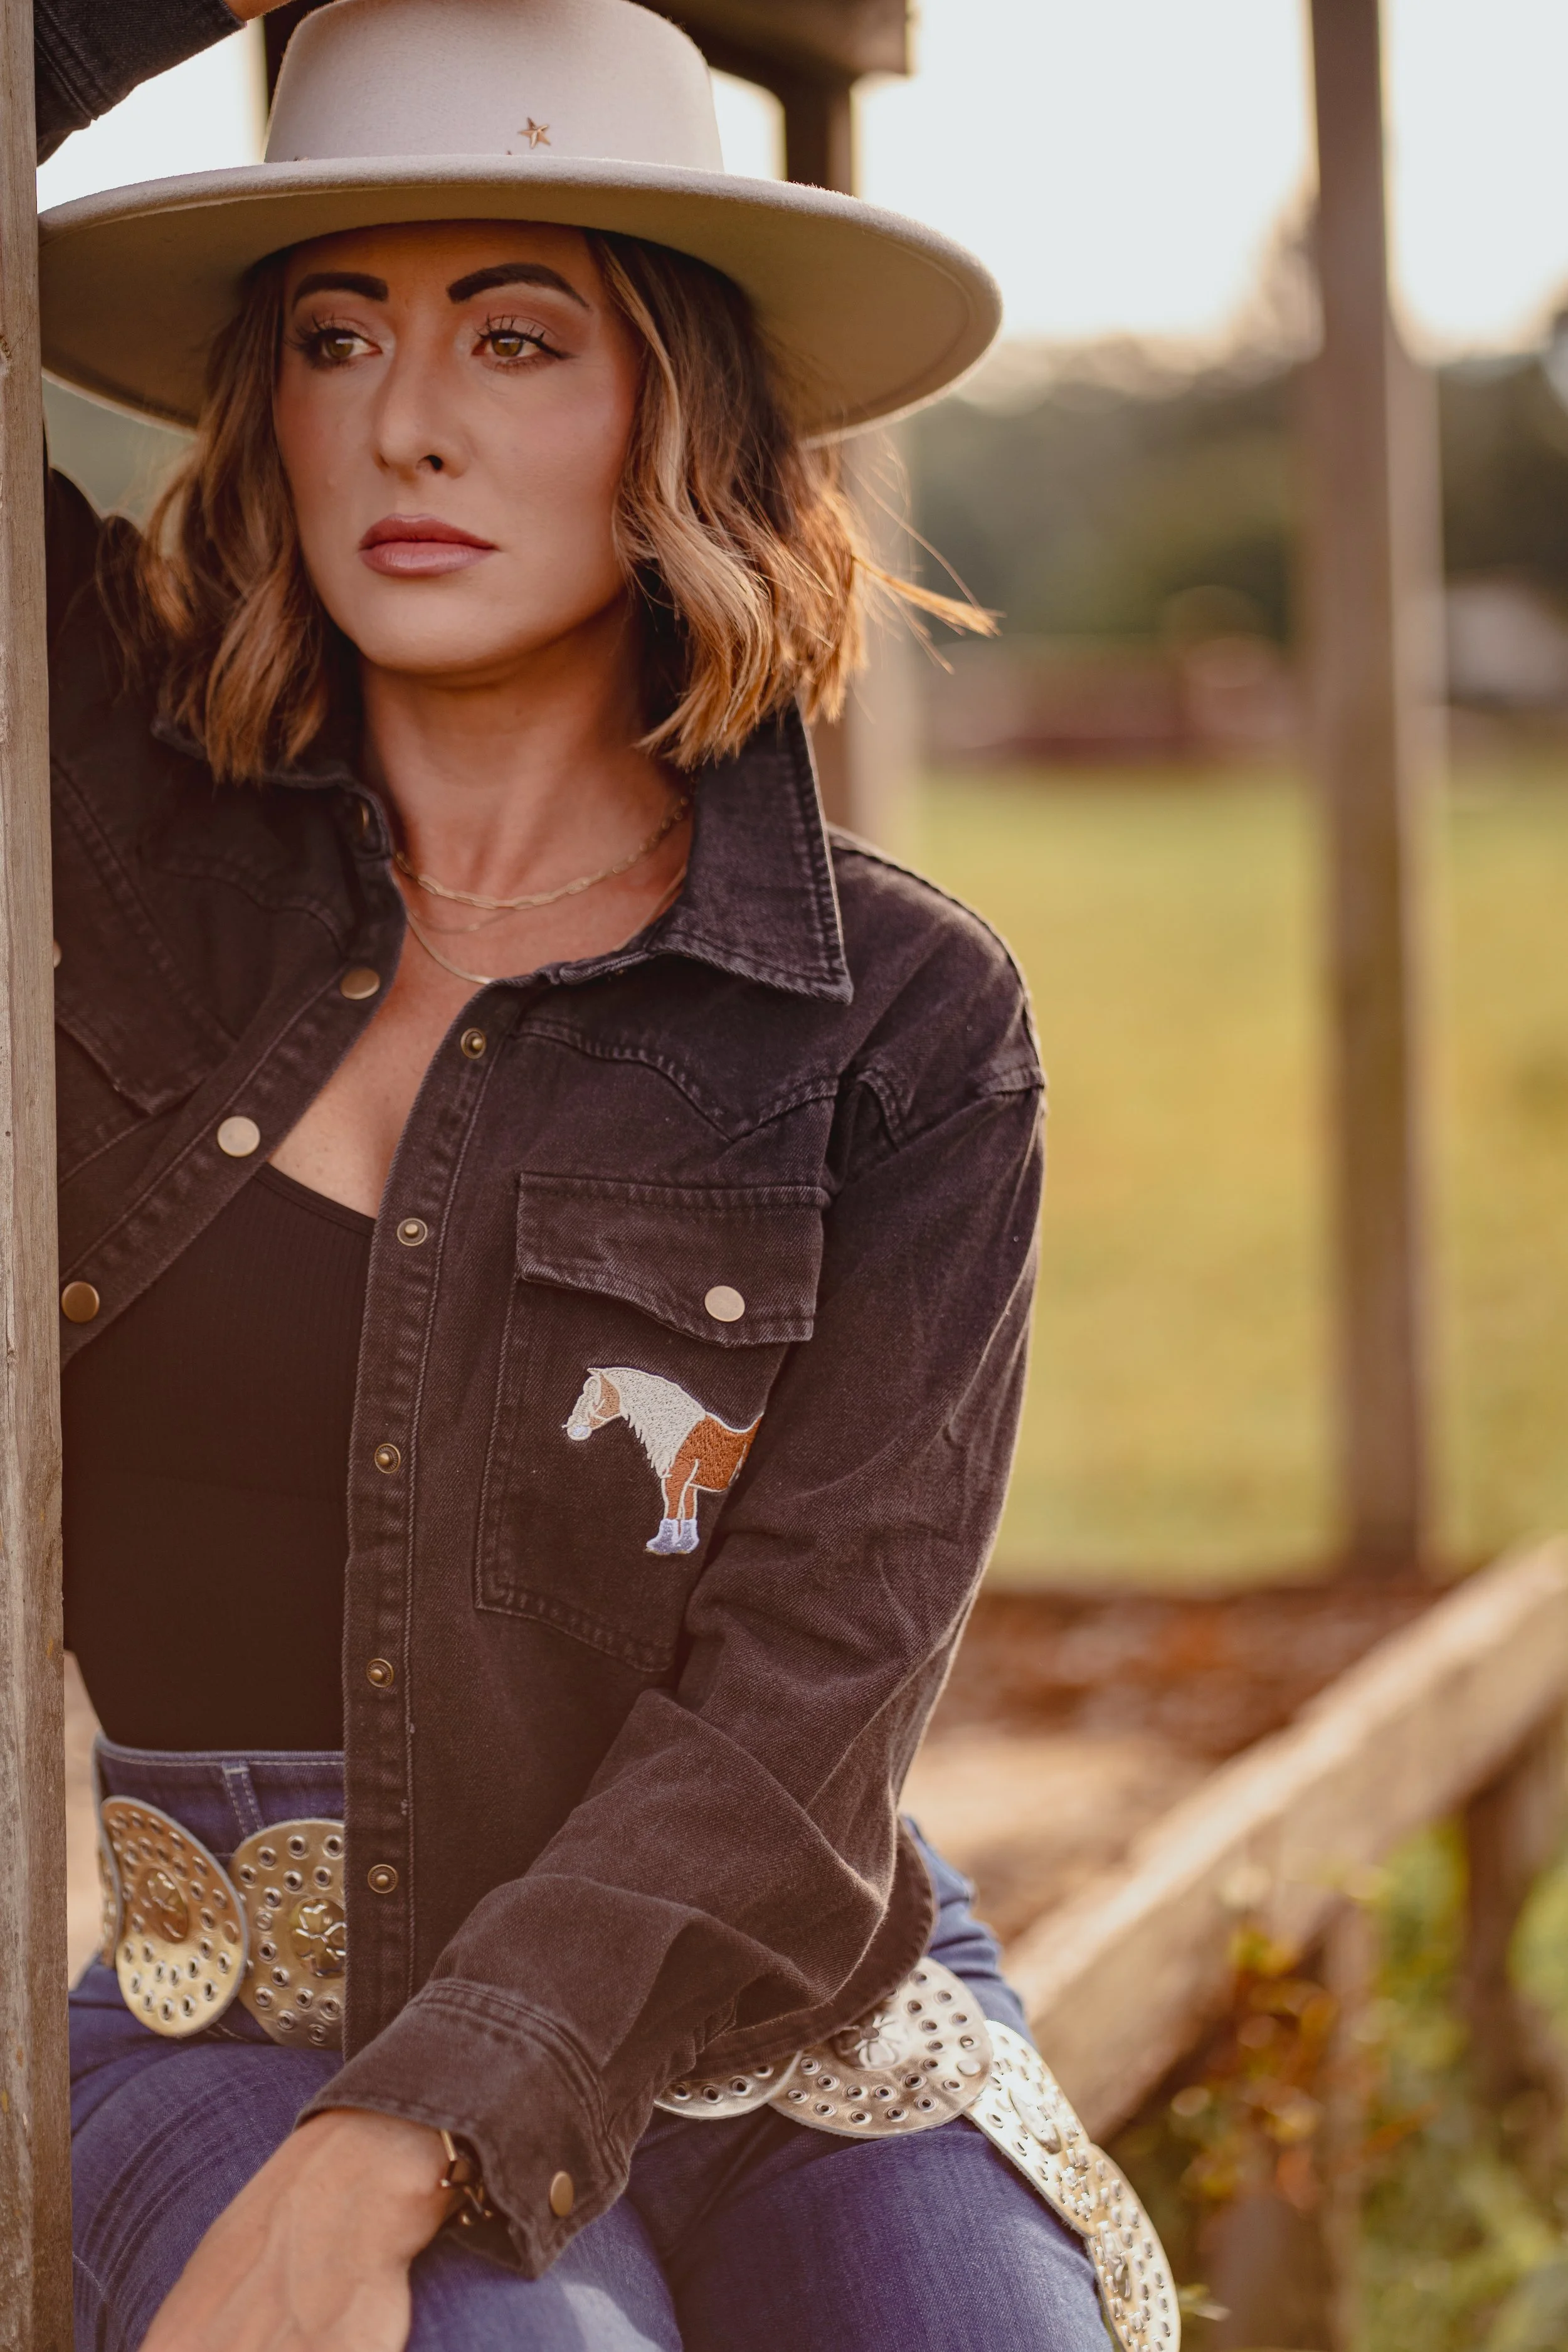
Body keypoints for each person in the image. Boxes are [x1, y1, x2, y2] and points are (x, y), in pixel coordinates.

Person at [38, 3, 1177, 2348]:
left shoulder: (899, 1027)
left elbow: (810, 1688)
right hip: (241, 2021)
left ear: (681, 421)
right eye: (335, 336)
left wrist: (425, 2126)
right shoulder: (109, 843)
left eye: (517, 337)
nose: (407, 420)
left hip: (774, 2022)